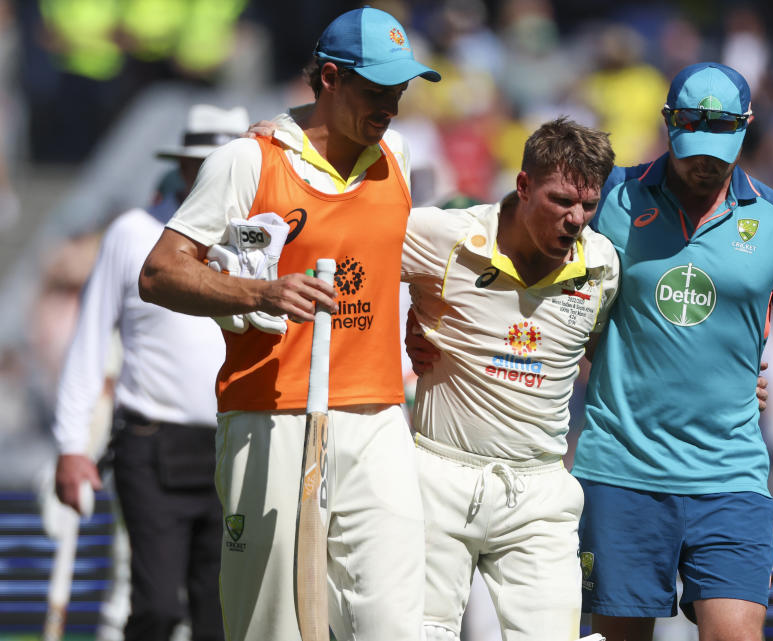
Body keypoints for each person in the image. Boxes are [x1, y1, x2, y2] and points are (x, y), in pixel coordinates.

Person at [138, 8, 440, 641]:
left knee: (396, 626)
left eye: (400, 89)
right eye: (375, 89)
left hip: (380, 415)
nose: (391, 104)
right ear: (328, 78)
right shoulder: (246, 163)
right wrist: (261, 291)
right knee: (270, 627)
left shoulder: (400, 154)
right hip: (270, 414)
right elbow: (161, 273)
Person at [571, 62, 773, 641]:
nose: (706, 162)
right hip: (622, 470)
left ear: (748, 129)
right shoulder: (611, 197)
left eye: (722, 148)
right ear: (668, 124)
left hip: (732, 476)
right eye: (693, 145)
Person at [402, 117, 619, 641]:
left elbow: (619, 357)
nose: (576, 220)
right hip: (438, 474)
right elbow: (350, 257)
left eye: (588, 206)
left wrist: (727, 383)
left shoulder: (602, 265)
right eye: (562, 201)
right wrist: (415, 312)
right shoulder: (444, 235)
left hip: (540, 491)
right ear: (522, 186)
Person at [52, 103, 250, 641]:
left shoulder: (261, 245)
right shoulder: (132, 234)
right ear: (184, 167)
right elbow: (89, 345)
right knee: (157, 605)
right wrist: (72, 445)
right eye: (204, 165)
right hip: (152, 441)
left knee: (219, 615)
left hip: (236, 447)